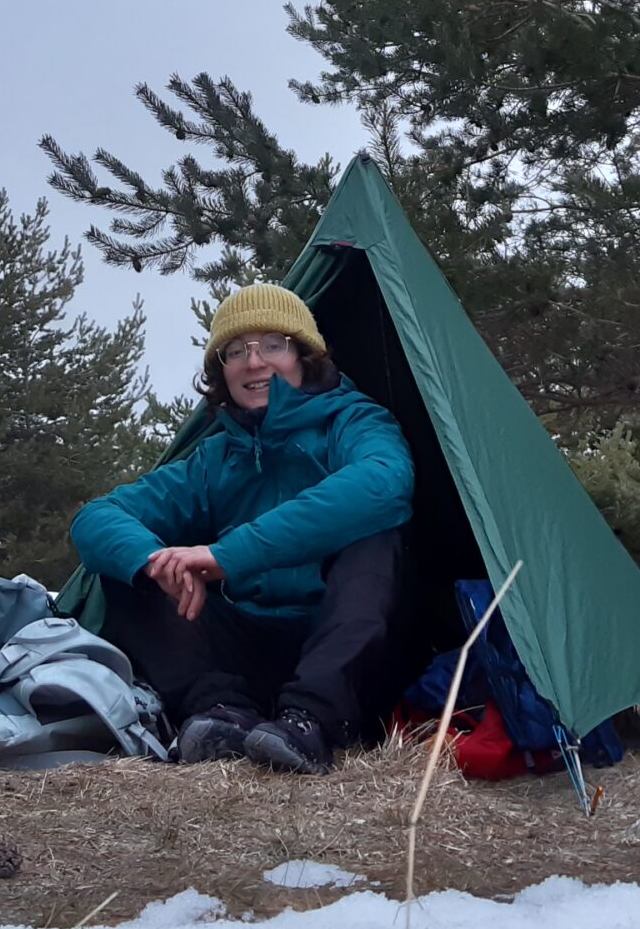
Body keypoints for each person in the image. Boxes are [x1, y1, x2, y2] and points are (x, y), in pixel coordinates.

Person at [69, 283, 413, 774]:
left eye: (273, 344)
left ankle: (311, 722)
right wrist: (154, 562)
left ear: (305, 355)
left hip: (348, 651)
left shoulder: (354, 421)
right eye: (236, 350)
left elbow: (384, 483)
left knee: (377, 542)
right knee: (133, 568)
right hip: (251, 647)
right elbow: (96, 517)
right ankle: (219, 716)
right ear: (222, 370)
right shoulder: (214, 458)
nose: (255, 362)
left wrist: (226, 555)